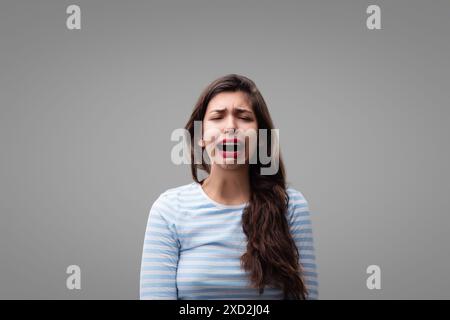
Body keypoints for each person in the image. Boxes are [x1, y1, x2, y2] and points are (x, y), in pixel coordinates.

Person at [140, 74, 319, 299]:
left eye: (244, 117)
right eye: (218, 117)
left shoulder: (290, 207)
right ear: (201, 136)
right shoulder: (168, 209)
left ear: (260, 137)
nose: (231, 127)